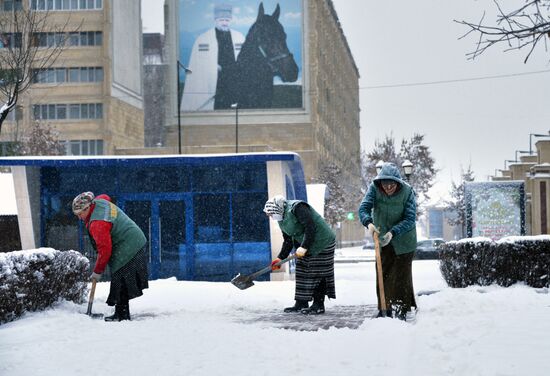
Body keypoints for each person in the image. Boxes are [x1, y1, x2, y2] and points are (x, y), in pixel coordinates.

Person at [72, 192, 148, 322]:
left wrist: (97, 272)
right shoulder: (99, 202)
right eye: (77, 215)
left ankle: (122, 315)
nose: (79, 217)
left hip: (129, 244)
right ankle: (121, 312)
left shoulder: (98, 223)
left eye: (80, 214)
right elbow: (105, 196)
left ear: (88, 207)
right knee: (121, 277)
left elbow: (105, 250)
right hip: (134, 237)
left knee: (120, 277)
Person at [358, 162, 417, 320]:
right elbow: (363, 208)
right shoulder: (374, 188)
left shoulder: (408, 192)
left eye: (391, 184)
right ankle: (384, 307)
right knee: (382, 273)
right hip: (382, 239)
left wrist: (394, 232)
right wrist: (368, 223)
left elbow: (410, 218)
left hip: (404, 239)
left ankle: (401, 309)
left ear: (397, 182)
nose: (388, 188)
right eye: (385, 184)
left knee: (401, 275)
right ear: (380, 182)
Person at [264, 195, 336, 315]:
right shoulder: (281, 220)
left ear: (276, 209)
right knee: (302, 270)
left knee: (317, 271)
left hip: (323, 241)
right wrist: (279, 258)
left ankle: (318, 305)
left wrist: (304, 247)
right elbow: (288, 241)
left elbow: (310, 227)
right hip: (308, 243)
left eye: (270, 213)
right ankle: (301, 302)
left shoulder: (298, 207)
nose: (270, 217)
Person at [180, 3, 245, 111]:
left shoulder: (239, 37)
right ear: (215, 20)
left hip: (234, 81)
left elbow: (246, 59)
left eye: (227, 20)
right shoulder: (204, 39)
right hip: (214, 82)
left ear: (231, 20)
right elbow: (198, 64)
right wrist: (213, 66)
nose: (224, 23)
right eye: (221, 20)